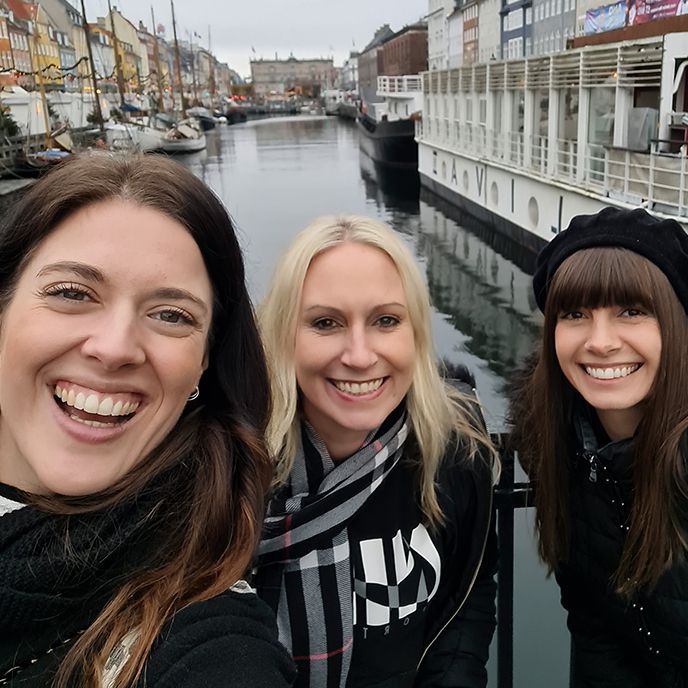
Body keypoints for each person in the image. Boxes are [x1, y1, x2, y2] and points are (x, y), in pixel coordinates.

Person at [0, 152, 296, 688]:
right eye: (72, 293)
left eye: (171, 316)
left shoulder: (210, 639)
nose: (114, 348)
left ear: (206, 359)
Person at [255, 214, 498, 688]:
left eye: (386, 320)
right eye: (325, 323)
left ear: (416, 333)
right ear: (285, 334)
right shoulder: (232, 466)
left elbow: (467, 597)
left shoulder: (454, 442)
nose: (360, 355)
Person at [509, 207, 688, 687]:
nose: (601, 342)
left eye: (631, 311)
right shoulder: (558, 444)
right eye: (575, 314)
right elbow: (595, 627)